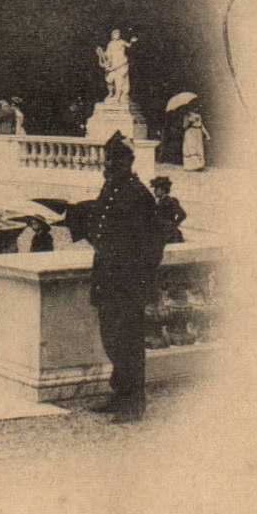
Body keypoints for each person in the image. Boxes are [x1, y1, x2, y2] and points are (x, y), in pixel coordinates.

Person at [72, 131, 160, 422]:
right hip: (107, 278)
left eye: (115, 159)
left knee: (129, 343)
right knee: (111, 338)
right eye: (108, 159)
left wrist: (138, 278)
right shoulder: (111, 189)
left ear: (128, 162)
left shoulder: (138, 194)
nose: (108, 164)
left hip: (127, 283)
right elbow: (102, 223)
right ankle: (120, 393)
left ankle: (134, 403)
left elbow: (153, 242)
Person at [95, 29, 137, 102]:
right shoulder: (110, 44)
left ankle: (118, 95)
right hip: (112, 64)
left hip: (121, 62)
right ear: (112, 36)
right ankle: (111, 93)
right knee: (109, 79)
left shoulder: (121, 42)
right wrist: (101, 53)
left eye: (118, 34)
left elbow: (129, 45)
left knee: (119, 80)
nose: (117, 35)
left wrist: (132, 41)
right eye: (115, 34)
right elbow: (107, 54)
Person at [150, 176, 187, 247]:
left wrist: (174, 224)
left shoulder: (170, 201)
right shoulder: (160, 201)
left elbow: (182, 214)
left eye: (157, 189)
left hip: (168, 232)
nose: (154, 191)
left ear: (163, 190)